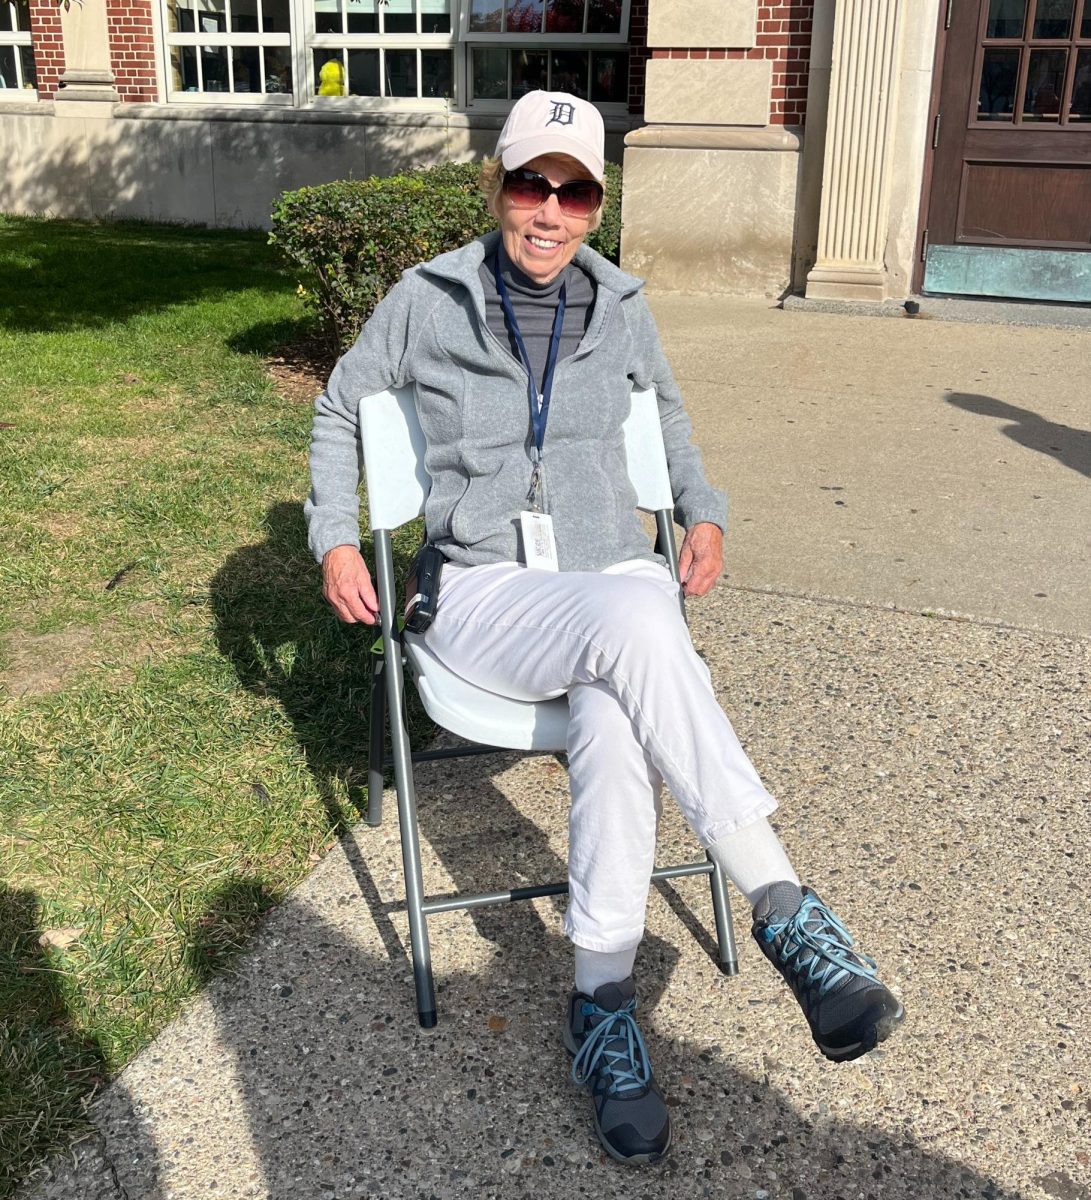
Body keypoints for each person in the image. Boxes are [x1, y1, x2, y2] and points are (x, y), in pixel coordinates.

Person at [306, 89, 904, 1167]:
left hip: (606, 583)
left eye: (573, 190)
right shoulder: (426, 296)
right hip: (483, 593)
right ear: (497, 184)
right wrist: (334, 539)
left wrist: (706, 508)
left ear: (594, 206)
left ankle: (601, 1006)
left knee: (619, 711)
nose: (548, 210)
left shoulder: (618, 301)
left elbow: (663, 411)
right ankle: (779, 901)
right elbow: (342, 404)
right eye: (531, 183)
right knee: (641, 614)